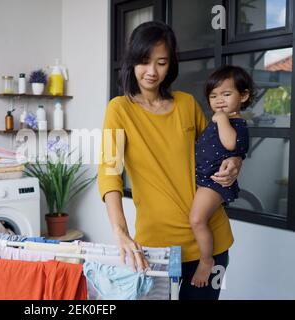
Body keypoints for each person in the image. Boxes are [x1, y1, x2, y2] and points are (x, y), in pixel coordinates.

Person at [97, 21, 242, 300]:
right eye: (143, 61)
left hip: (211, 242)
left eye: (161, 62)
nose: (151, 71)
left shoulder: (187, 104)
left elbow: (220, 151)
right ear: (132, 62)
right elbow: (109, 171)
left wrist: (235, 162)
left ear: (170, 64)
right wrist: (121, 232)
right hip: (157, 246)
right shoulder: (119, 109)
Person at [190, 66, 253, 288]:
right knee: (198, 219)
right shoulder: (218, 120)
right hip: (204, 179)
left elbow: (230, 144)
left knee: (197, 219)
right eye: (213, 96)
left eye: (226, 94)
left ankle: (206, 260)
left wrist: (222, 119)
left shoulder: (236, 123)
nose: (219, 101)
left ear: (243, 96)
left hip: (214, 182)